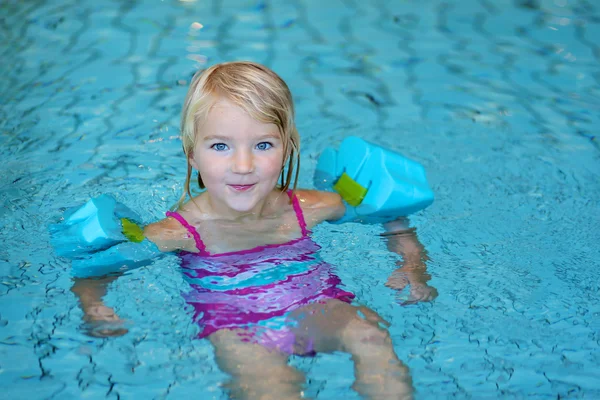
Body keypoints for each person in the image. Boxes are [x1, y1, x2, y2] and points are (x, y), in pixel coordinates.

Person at [69, 61, 437, 400]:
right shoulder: (183, 230)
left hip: (315, 306)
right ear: (192, 154)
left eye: (262, 145)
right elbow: (99, 267)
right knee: (272, 389)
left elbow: (387, 213)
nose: (243, 165)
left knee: (370, 335)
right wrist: (94, 304)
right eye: (220, 146)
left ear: (287, 147)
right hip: (236, 326)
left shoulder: (305, 208)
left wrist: (411, 264)